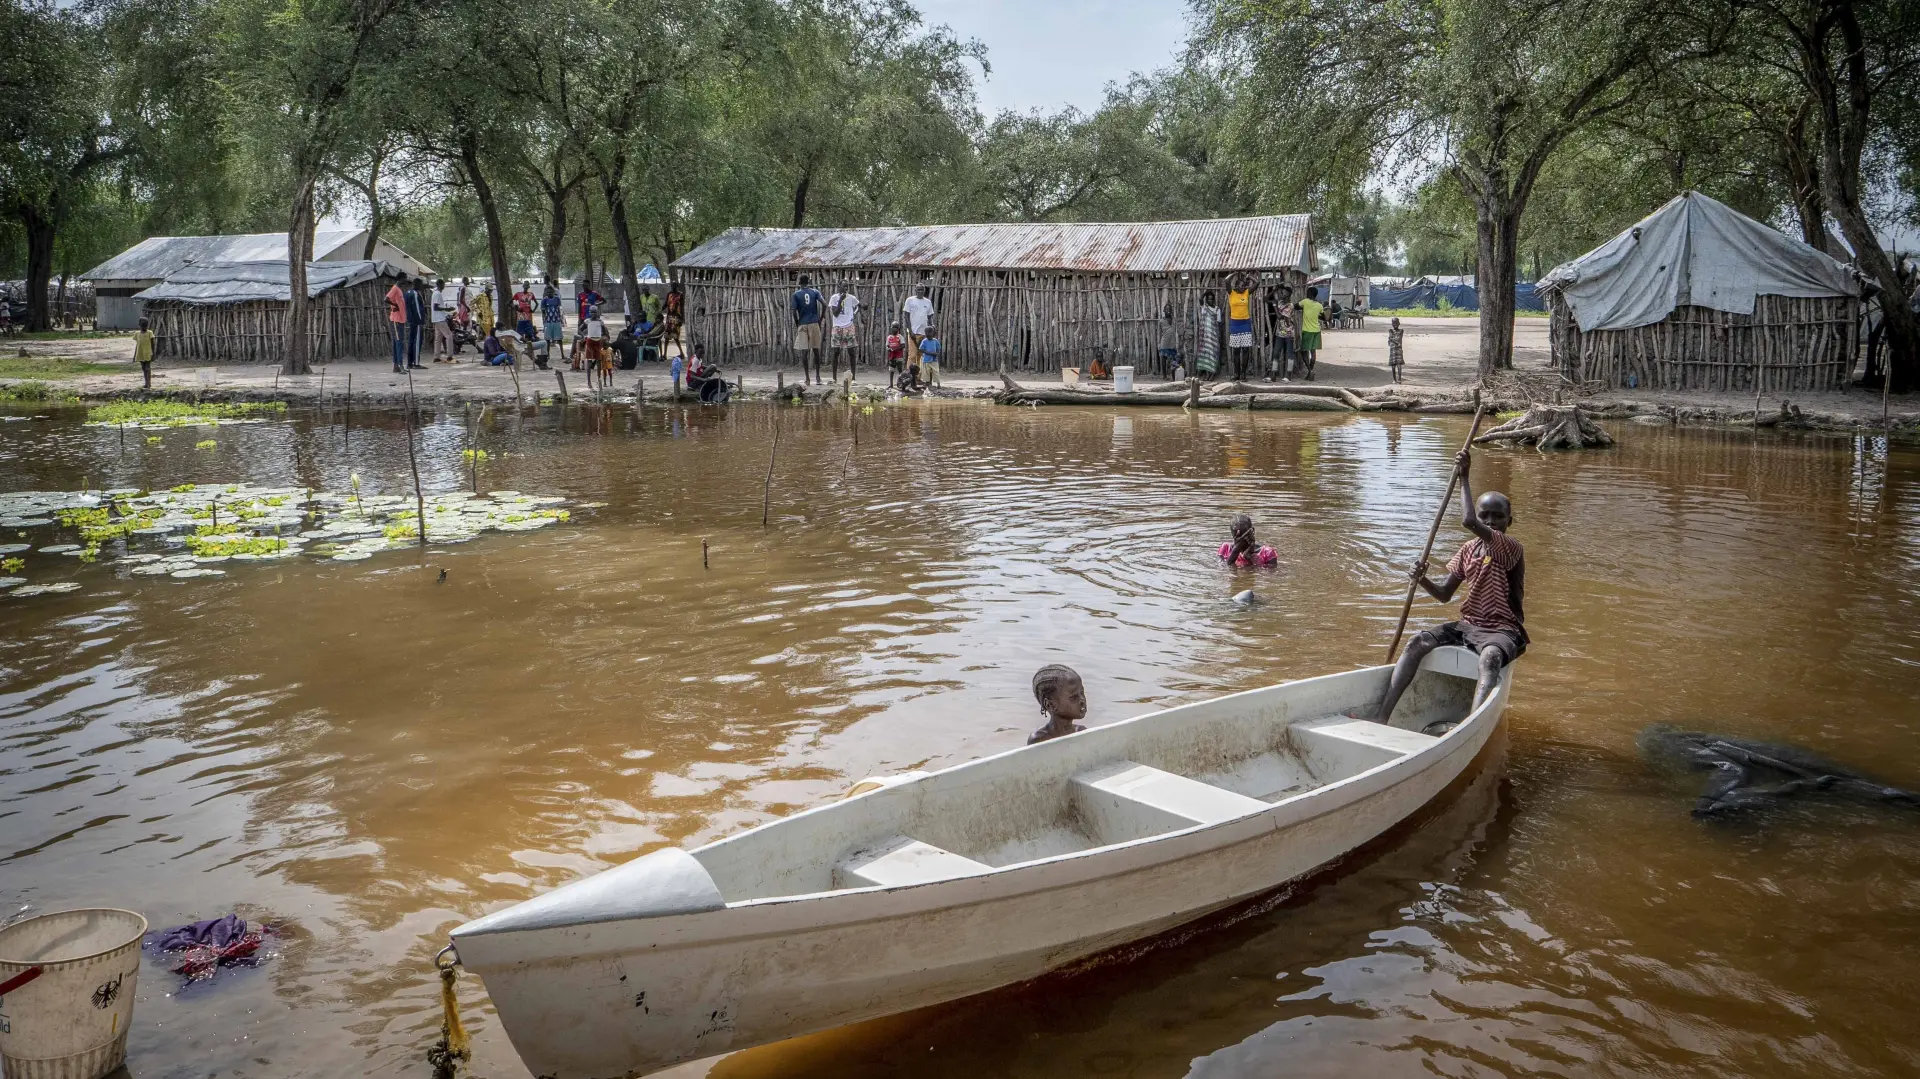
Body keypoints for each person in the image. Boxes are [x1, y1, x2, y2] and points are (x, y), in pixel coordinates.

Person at [1374, 447, 1526, 729]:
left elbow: (1467, 521)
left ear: (1509, 521)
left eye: (1498, 516)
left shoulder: (1511, 546)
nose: (1491, 521)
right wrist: (1422, 580)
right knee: (1416, 643)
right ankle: (1382, 716)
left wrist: (1464, 478)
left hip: (1502, 629)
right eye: (1485, 516)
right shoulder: (1468, 549)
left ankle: (1471, 728)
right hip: (1468, 625)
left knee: (1490, 658)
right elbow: (1444, 595)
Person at [1027, 664, 1088, 745]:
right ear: (1050, 705)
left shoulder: (1081, 733)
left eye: (1082, 693)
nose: (1082, 700)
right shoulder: (1038, 739)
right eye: (1074, 696)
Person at [791, 274, 827, 384]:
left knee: (804, 352)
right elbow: (825, 304)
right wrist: (820, 318)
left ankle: (807, 378)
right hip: (814, 322)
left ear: (799, 283)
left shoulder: (796, 294)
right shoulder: (815, 292)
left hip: (803, 323)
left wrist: (797, 323)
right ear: (809, 281)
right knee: (816, 350)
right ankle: (818, 377)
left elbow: (793, 311)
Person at [1226, 272, 1256, 380]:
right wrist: (1234, 273)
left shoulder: (1247, 293)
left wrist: (1248, 276)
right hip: (1235, 324)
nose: (1243, 287)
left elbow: (1257, 282)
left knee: (1246, 350)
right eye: (1241, 286)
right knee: (1236, 351)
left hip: (1245, 324)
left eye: (1244, 286)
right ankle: (1236, 374)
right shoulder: (1231, 293)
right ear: (1236, 286)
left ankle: (1243, 374)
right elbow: (1226, 280)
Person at [827, 285, 859, 381]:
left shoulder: (852, 298)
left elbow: (859, 305)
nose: (846, 288)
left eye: (847, 286)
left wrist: (854, 314)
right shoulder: (834, 298)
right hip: (837, 327)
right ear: (839, 287)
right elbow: (835, 313)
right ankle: (834, 378)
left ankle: (853, 378)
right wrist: (840, 300)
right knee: (835, 352)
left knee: (851, 352)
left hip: (849, 327)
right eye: (844, 286)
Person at [902, 284, 934, 367]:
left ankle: (918, 377)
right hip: (913, 332)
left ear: (924, 291)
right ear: (915, 290)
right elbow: (906, 316)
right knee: (912, 355)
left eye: (922, 290)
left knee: (920, 356)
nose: (920, 291)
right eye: (918, 290)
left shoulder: (928, 302)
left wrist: (932, 326)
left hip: (924, 333)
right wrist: (910, 330)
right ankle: (909, 376)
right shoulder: (910, 300)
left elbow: (930, 317)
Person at [1296, 287, 1324, 381]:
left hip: (1307, 331)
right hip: (1316, 330)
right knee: (1313, 352)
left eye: (1307, 292)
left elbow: (1295, 306)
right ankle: (1310, 371)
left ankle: (1310, 370)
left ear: (1311, 294)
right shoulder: (1319, 306)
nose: (1306, 293)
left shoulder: (1305, 302)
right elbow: (1323, 317)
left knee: (1304, 351)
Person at [1195, 291, 1222, 379]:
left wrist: (1218, 336)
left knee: (1212, 354)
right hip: (1205, 335)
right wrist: (1206, 292)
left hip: (1213, 335)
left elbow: (1218, 323)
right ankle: (1206, 373)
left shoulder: (1217, 309)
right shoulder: (1204, 307)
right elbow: (1200, 299)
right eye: (1208, 299)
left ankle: (1212, 373)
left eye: (1211, 299)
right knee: (1205, 353)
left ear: (1214, 300)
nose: (1210, 301)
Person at [385, 278, 408, 372]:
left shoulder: (399, 289)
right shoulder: (395, 289)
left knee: (397, 343)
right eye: (405, 278)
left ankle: (396, 366)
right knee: (398, 343)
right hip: (396, 320)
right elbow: (386, 299)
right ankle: (400, 365)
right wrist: (395, 305)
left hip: (401, 320)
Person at [405, 278, 428, 369]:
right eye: (421, 284)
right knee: (417, 342)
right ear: (417, 284)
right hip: (417, 321)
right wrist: (421, 321)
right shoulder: (415, 294)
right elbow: (418, 309)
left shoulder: (407, 293)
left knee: (411, 341)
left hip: (411, 321)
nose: (422, 286)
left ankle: (409, 363)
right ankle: (416, 363)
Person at [431, 278, 455, 361]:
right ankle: (449, 356)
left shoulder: (435, 293)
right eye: (443, 284)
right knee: (449, 336)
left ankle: (436, 357)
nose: (444, 286)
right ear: (440, 285)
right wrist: (447, 309)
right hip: (440, 318)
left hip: (436, 319)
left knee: (438, 338)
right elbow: (436, 307)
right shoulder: (438, 294)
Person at [540, 285, 565, 360]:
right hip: (548, 321)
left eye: (550, 291)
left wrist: (561, 320)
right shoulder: (544, 300)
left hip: (557, 321)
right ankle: (548, 355)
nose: (549, 293)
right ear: (546, 292)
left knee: (559, 339)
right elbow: (543, 312)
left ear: (553, 292)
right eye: (547, 291)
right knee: (547, 340)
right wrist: (544, 322)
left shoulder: (557, 299)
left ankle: (562, 355)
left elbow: (560, 309)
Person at [1157, 304, 1179, 378]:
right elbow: (1159, 333)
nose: (1168, 310)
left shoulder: (1174, 320)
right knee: (1164, 358)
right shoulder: (1161, 321)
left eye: (1170, 309)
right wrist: (1159, 343)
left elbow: (1176, 330)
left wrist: (1177, 341)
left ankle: (1173, 375)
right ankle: (1164, 375)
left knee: (1174, 358)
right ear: (1164, 311)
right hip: (1164, 341)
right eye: (1166, 309)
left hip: (1172, 341)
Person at [133, 315, 155, 388]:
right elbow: (137, 345)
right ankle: (146, 383)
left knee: (147, 368)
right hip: (140, 353)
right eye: (143, 326)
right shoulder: (137, 334)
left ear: (147, 326)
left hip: (148, 353)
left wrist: (153, 353)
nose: (144, 328)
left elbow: (153, 344)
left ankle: (149, 383)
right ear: (139, 325)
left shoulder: (150, 333)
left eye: (145, 326)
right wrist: (134, 355)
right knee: (143, 368)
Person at [1387, 317, 1405, 383]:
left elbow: (1394, 338)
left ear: (1399, 323)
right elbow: (1394, 339)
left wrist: (1391, 339)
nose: (1395, 324)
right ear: (1392, 324)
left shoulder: (1401, 331)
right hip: (1393, 349)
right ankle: (1394, 379)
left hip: (1398, 349)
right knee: (1393, 365)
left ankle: (1399, 379)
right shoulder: (1390, 330)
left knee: (1399, 364)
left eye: (1396, 323)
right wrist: (1396, 342)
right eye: (1393, 323)